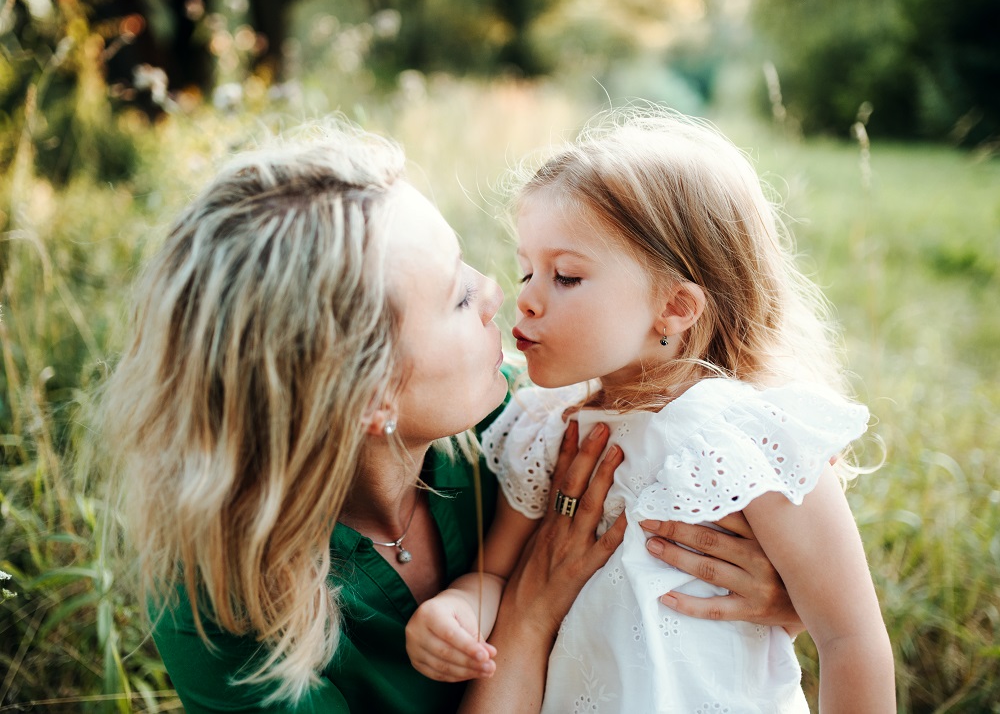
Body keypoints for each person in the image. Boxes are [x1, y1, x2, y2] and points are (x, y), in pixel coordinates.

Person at [100, 120, 804, 713]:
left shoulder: (518, 430)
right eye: (458, 297)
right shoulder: (218, 598)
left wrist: (785, 595)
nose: (498, 292)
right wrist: (527, 613)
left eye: (469, 265)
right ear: (367, 394)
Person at [405, 109, 896, 712]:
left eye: (565, 276)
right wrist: (457, 609)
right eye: (527, 268)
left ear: (674, 306)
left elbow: (850, 637)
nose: (526, 298)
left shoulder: (743, 438)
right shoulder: (545, 427)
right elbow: (499, 575)